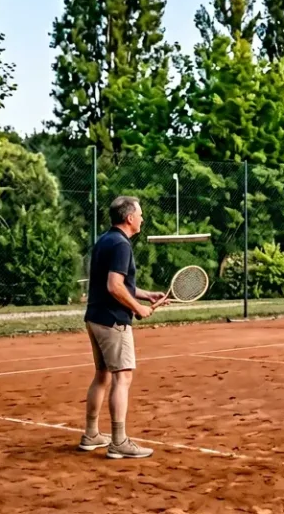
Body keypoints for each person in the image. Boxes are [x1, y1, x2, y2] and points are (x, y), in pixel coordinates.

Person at [79, 195, 169, 458]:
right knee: (123, 377)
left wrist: (145, 295)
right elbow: (114, 286)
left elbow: (120, 283)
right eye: (140, 214)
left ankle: (91, 434)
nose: (142, 218)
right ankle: (119, 441)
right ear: (129, 218)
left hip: (95, 316)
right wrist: (137, 308)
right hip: (112, 321)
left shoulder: (106, 240)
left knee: (102, 375)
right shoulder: (122, 245)